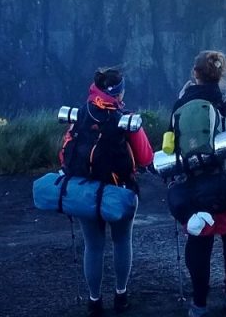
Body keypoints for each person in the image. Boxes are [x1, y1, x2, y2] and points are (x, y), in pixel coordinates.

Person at [64, 68, 154, 316]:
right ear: (119, 91)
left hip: (85, 192)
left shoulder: (80, 115)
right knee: (122, 240)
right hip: (119, 192)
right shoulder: (124, 118)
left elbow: (65, 153)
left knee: (93, 246)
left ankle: (94, 301)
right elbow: (145, 157)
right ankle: (121, 296)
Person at [173, 50, 226, 317]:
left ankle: (198, 305)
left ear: (194, 74)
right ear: (220, 75)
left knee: (199, 241)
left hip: (194, 185)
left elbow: (171, 149)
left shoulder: (180, 107)